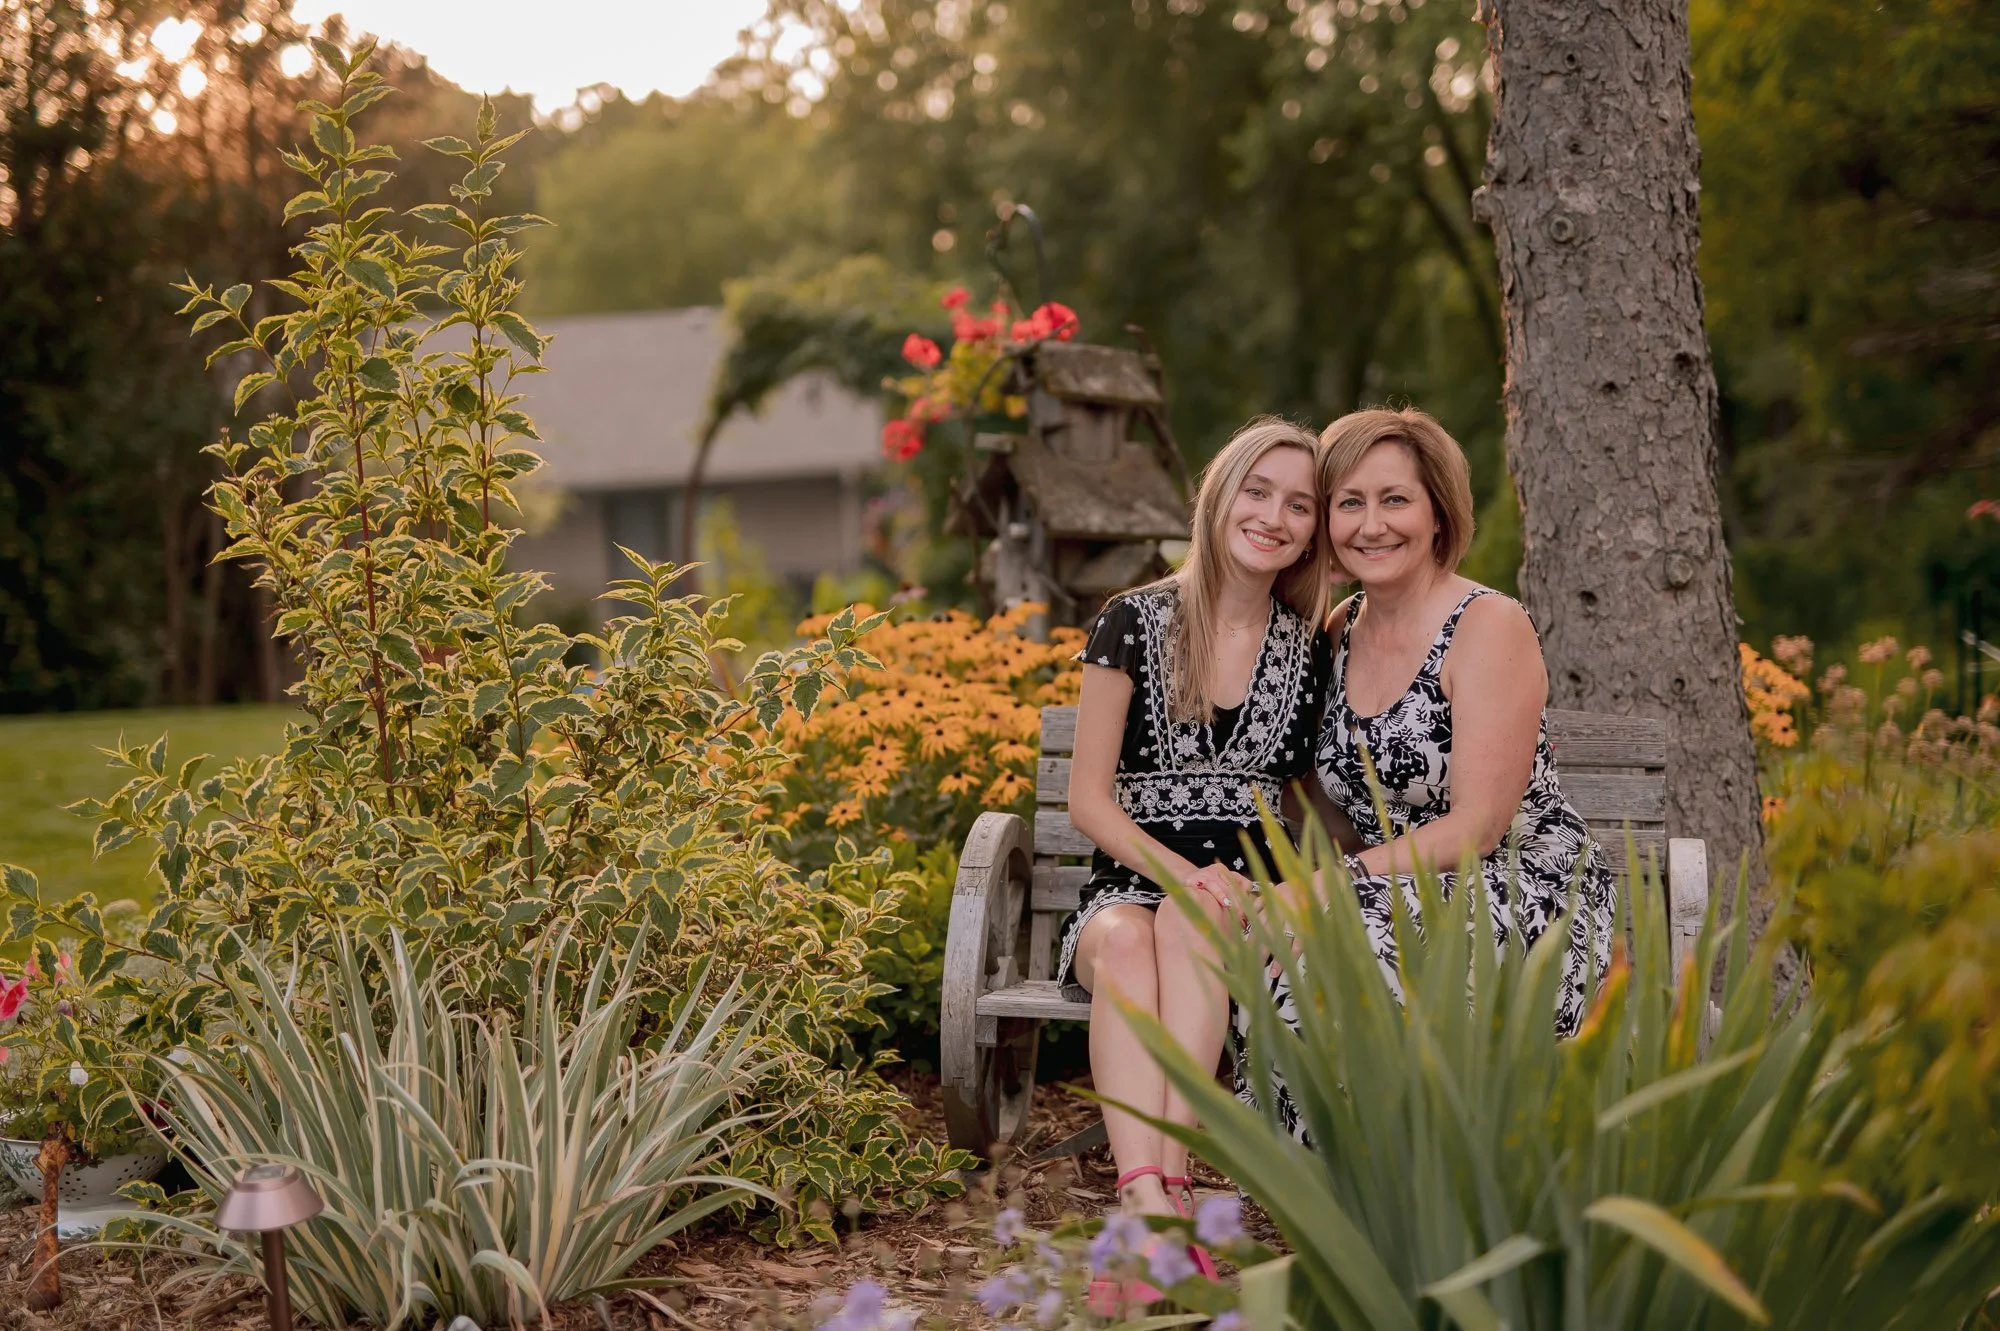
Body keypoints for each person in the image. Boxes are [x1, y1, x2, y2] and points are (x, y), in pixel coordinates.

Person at [1239, 406, 1616, 1142]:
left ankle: (1407, 1189)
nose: (1371, 524)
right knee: (1279, 961)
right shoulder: (1339, 631)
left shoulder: (1487, 625)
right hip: (1389, 890)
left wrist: (1332, 886)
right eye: (1350, 502)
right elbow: (1331, 808)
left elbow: (1479, 828)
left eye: (1395, 499)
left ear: (1438, 513)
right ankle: (1324, 1193)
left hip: (1520, 892)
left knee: (1343, 967)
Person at [1059, 416, 1333, 1223]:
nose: (1274, 517)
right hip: (1128, 888)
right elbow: (1088, 800)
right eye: (1258, 492)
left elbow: (1317, 811)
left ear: (1313, 530)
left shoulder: (1312, 650)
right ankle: (1151, 1198)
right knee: (1128, 940)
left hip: (1241, 902)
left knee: (1195, 920)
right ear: (1219, 496)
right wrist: (1186, 875)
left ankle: (1159, 1199)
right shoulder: (1130, 622)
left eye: (1299, 505)